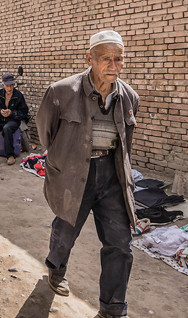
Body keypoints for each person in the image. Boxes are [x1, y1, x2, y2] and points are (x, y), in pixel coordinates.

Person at [35, 30, 139, 318]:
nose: (114, 66)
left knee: (120, 243)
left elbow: (125, 144)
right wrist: (65, 160)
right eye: (106, 59)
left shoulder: (129, 97)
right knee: (66, 228)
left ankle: (112, 309)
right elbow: (46, 134)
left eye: (119, 59)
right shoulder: (61, 92)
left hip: (111, 175)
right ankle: (56, 270)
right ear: (89, 59)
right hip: (73, 171)